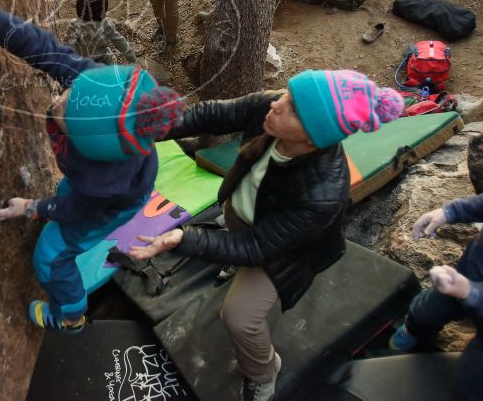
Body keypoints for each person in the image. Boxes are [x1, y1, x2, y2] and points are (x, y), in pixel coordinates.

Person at [0, 0, 184, 333]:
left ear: (91, 150)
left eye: (65, 117)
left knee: (50, 256)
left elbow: (72, 210)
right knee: (70, 190)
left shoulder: (102, 183)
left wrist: (34, 208)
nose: (58, 102)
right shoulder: (93, 86)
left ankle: (70, 315)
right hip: (97, 183)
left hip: (110, 205)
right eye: (68, 95)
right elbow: (36, 44)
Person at [128, 69, 404, 401]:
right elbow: (213, 114)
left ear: (314, 138)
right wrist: (151, 128)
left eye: (294, 108)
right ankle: (232, 258)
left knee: (240, 318)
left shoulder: (323, 193)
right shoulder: (272, 108)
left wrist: (183, 238)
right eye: (287, 94)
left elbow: (257, 247)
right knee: (231, 234)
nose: (278, 104)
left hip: (281, 252)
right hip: (244, 214)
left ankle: (263, 371)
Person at [389, 193, 483, 401]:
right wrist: (448, 212)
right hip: (465, 278)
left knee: (470, 384)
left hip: (469, 292)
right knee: (425, 311)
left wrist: (469, 292)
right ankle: (413, 330)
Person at [64, 0, 138, 64]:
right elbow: (119, 41)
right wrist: (131, 56)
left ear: (79, 5)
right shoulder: (106, 25)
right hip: (104, 62)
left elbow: (68, 45)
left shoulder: (75, 25)